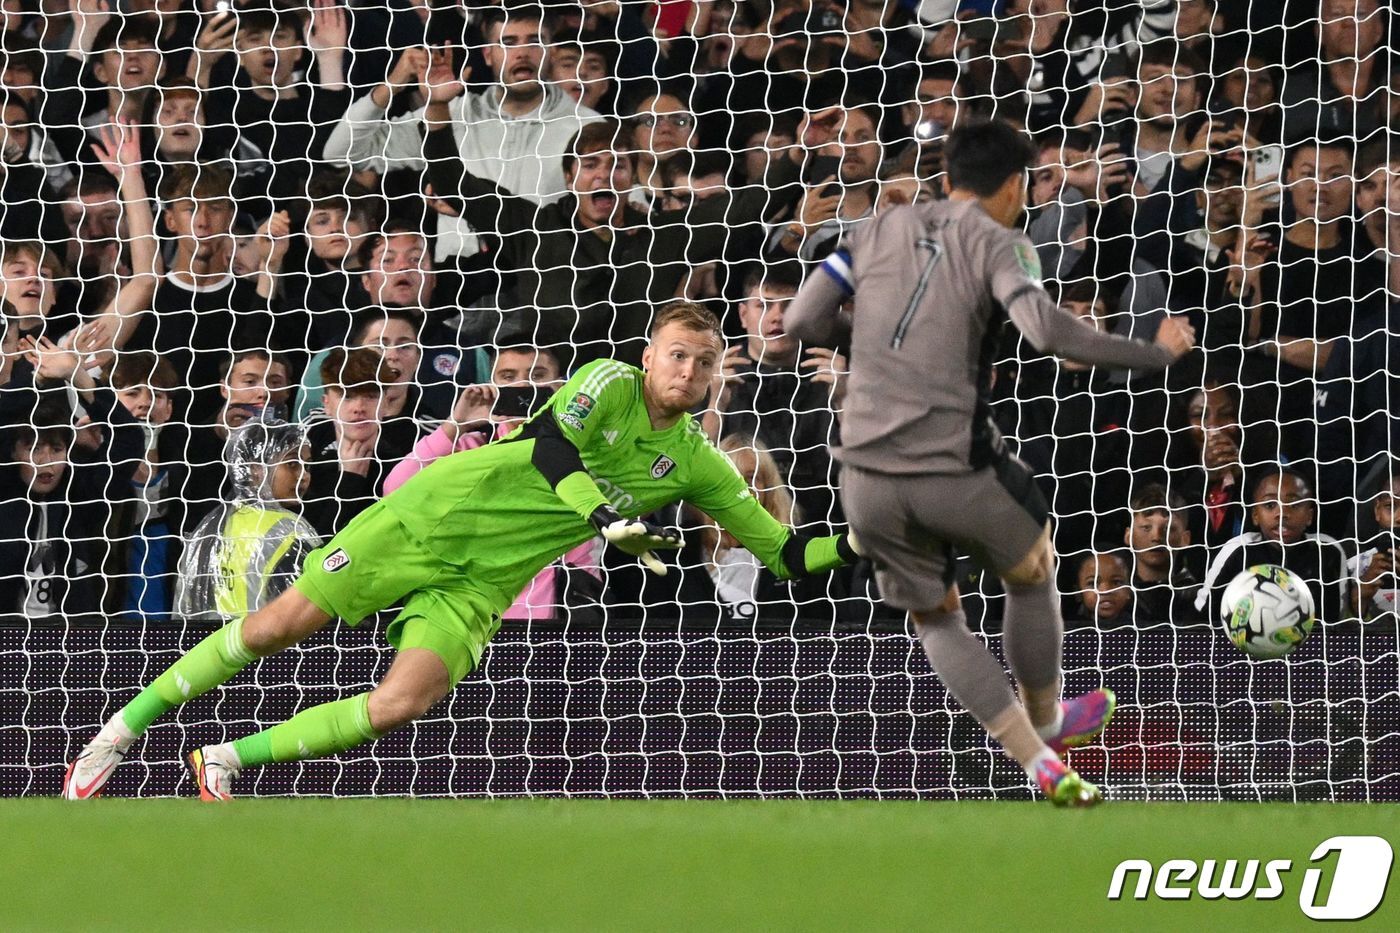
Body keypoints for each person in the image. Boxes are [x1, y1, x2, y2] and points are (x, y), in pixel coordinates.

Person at [64, 301, 861, 800]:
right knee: (277, 626)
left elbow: (787, 555)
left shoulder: (701, 462)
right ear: (651, 356)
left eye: (706, 362)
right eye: (677, 354)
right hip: (433, 517)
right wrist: (611, 523)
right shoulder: (609, 381)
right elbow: (552, 445)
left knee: (402, 701)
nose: (689, 370)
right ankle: (119, 731)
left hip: (486, 580)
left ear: (720, 377)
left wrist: (863, 542)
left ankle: (225, 759)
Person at [784, 118, 1197, 806]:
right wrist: (1153, 352)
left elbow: (799, 321)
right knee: (1033, 566)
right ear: (1015, 185)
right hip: (952, 462)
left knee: (937, 617)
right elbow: (1045, 331)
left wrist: (865, 342)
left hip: (862, 475)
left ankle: (1035, 760)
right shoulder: (1002, 241)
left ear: (947, 180)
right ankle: (1047, 718)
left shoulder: (875, 228)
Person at [176, 419, 321, 622]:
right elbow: (310, 609)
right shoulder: (290, 530)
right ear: (256, 469)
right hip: (264, 648)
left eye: (307, 465)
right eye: (292, 463)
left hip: (210, 649)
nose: (304, 475)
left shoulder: (210, 526)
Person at [1195, 467, 1351, 626]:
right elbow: (1202, 618)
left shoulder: (1328, 551)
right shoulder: (1237, 550)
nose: (1282, 513)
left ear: (1310, 516)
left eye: (1294, 504)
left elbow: (1335, 621)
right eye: (1270, 505)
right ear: (1255, 515)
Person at [1122, 484, 1202, 624]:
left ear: (1185, 539)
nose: (1156, 537)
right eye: (1146, 527)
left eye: (1168, 528)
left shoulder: (1198, 598)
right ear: (1128, 536)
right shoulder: (1119, 595)